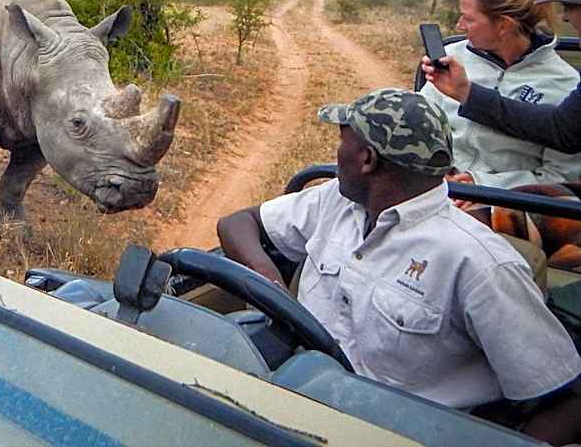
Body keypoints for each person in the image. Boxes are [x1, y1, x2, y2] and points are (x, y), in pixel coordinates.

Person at [217, 88, 581, 444]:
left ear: (367, 160)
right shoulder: (338, 200)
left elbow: (566, 400)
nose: (336, 152)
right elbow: (238, 223)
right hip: (294, 396)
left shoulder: (479, 263)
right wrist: (269, 282)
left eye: (342, 141)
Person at [418, 0, 581, 190]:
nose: (459, 26)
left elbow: (562, 176)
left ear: (504, 25)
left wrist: (483, 184)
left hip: (503, 198)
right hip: (438, 183)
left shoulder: (564, 83)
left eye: (468, 19)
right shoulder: (452, 58)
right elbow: (419, 125)